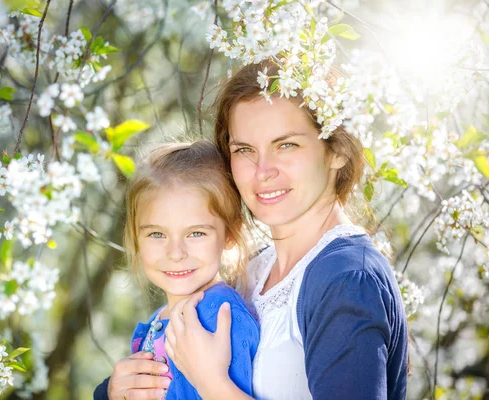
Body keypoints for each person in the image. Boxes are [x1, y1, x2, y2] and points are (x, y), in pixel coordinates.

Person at [94, 59, 408, 400]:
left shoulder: (346, 279)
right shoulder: (253, 269)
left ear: (337, 151)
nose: (263, 171)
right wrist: (114, 390)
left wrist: (212, 383)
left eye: (286, 145)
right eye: (244, 149)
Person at [95, 141, 260, 400]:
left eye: (196, 233)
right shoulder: (157, 319)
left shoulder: (221, 316)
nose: (175, 253)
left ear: (230, 233)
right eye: (157, 234)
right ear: (136, 237)